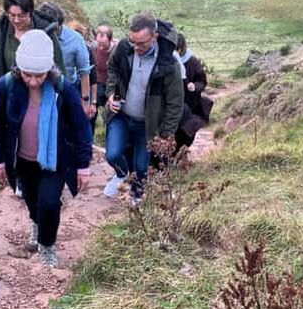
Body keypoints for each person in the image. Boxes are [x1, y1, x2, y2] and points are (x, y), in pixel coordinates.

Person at [0, 30, 92, 267]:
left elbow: (81, 127)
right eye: (27, 75)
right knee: (33, 202)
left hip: (54, 160)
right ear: (18, 69)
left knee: (50, 203)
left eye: (39, 76)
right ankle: (36, 223)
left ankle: (46, 244)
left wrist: (83, 165)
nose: (33, 81)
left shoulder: (62, 89)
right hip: (21, 160)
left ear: (49, 70)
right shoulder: (6, 87)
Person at [103, 13, 183, 205]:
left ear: (154, 37)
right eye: (133, 42)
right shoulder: (124, 48)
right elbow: (112, 68)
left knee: (141, 166)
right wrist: (112, 92)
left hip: (148, 124)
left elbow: (175, 102)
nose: (136, 48)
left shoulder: (169, 64)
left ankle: (138, 196)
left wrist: (165, 135)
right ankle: (122, 174)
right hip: (121, 115)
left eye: (141, 43)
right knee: (112, 154)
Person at [0, 0, 65, 90]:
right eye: (12, 15)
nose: (16, 20)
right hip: (7, 98)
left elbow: (59, 67)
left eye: (22, 16)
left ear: (30, 12)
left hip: (39, 96)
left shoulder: (45, 31)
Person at [36, 3, 91, 117]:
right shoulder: (36, 34)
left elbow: (84, 71)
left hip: (66, 89)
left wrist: (85, 101)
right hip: (38, 90)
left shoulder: (75, 39)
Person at [175, 34, 212, 151]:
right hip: (174, 104)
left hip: (190, 103)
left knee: (187, 133)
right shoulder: (168, 61)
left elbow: (202, 80)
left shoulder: (192, 61)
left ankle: (183, 154)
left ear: (181, 49)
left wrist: (195, 86)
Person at [66, 19, 98, 133]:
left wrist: (93, 103)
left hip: (84, 92)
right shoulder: (63, 50)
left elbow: (93, 78)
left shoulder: (87, 50)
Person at [91, 23, 117, 139]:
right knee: (92, 113)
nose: (100, 47)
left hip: (111, 86)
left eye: (103, 45)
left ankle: (109, 140)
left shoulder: (116, 51)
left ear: (110, 39)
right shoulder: (93, 47)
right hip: (97, 84)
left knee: (110, 115)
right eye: (99, 44)